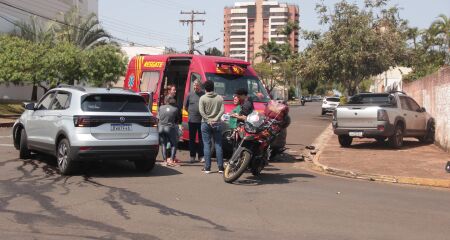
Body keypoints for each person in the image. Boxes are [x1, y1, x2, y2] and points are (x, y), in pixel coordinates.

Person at [199, 80, 225, 174]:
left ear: (205, 88)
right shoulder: (219, 98)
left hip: (205, 124)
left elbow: (201, 111)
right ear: (213, 87)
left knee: (207, 145)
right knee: (218, 145)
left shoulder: (202, 98)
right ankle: (221, 167)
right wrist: (216, 118)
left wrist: (208, 120)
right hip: (217, 123)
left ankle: (207, 168)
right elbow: (222, 110)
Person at [185, 79, 205, 163]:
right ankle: (192, 156)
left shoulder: (204, 95)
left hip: (201, 121)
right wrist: (191, 113)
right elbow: (186, 107)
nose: (195, 87)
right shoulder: (189, 95)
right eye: (194, 85)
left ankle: (201, 156)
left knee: (201, 139)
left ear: (200, 86)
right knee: (192, 139)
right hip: (192, 120)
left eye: (197, 85)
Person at [157, 96, 181, 167]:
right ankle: (171, 160)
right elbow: (177, 119)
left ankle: (164, 161)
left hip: (161, 127)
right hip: (169, 128)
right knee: (174, 144)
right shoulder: (175, 109)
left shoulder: (161, 107)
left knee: (163, 144)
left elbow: (157, 118)